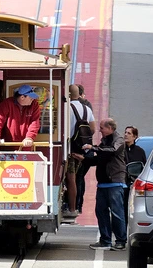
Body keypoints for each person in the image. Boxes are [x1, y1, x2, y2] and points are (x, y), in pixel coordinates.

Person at [84, 118, 127, 251]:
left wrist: (94, 148)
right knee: (100, 212)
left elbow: (112, 151)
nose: (100, 130)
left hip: (115, 183)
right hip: (102, 184)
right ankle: (105, 240)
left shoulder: (119, 140)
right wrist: (85, 157)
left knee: (117, 213)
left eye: (102, 128)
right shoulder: (104, 142)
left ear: (110, 128)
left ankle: (120, 241)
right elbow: (99, 158)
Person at [63, 85, 96, 219]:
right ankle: (75, 206)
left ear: (68, 94)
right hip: (81, 148)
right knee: (77, 178)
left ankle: (71, 208)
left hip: (68, 148)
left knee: (70, 179)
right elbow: (92, 129)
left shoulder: (66, 108)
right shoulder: (86, 109)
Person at [123, 125, 147, 219]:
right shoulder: (120, 149)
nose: (126, 135)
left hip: (133, 184)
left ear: (134, 136)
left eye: (129, 133)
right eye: (125, 132)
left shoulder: (139, 151)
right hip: (121, 183)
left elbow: (143, 168)